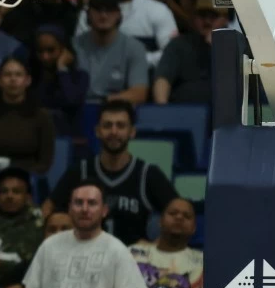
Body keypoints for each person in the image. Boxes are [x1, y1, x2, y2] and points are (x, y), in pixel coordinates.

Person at [45, 100, 177, 246]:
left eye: (120, 126)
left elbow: (179, 213)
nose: (114, 132)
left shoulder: (148, 174)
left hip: (132, 260)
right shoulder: (80, 171)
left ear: (132, 132)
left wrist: (155, 247)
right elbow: (48, 208)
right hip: (85, 256)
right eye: (107, 125)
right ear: (97, 131)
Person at [0, 56, 55, 175]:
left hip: (27, 179)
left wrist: (22, 177)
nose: (13, 79)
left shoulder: (41, 116)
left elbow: (44, 162)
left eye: (18, 75)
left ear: (28, 80)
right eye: (7, 75)